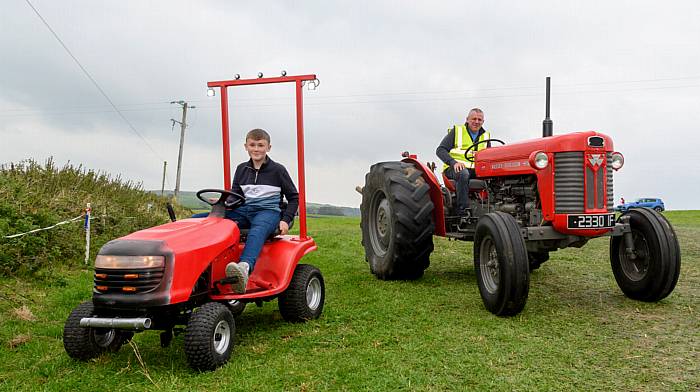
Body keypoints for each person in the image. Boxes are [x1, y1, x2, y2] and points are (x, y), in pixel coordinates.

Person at [223, 128, 299, 293]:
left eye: (260, 145)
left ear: (268, 148)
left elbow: (294, 198)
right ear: (246, 146)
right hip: (244, 210)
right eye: (252, 145)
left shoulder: (278, 170)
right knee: (210, 220)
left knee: (258, 229)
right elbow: (235, 196)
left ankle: (244, 268)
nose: (256, 149)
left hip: (269, 211)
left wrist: (286, 219)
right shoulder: (241, 169)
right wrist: (223, 202)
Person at [436, 108, 491, 217]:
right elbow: (440, 150)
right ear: (467, 119)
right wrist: (453, 162)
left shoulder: (486, 136)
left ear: (483, 122)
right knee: (463, 173)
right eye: (473, 119)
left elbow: (488, 155)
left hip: (475, 170)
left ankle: (490, 208)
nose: (476, 122)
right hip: (454, 169)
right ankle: (463, 212)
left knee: (494, 177)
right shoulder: (457, 131)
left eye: (479, 119)